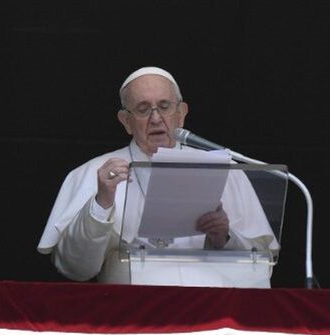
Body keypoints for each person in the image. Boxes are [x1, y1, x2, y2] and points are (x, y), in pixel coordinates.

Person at [37, 67, 276, 287]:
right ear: (126, 121)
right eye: (143, 109)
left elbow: (261, 265)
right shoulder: (94, 172)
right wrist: (101, 204)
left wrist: (224, 236)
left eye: (164, 106)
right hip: (132, 311)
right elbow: (75, 269)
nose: (155, 118)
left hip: (210, 309)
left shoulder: (225, 171)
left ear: (181, 114)